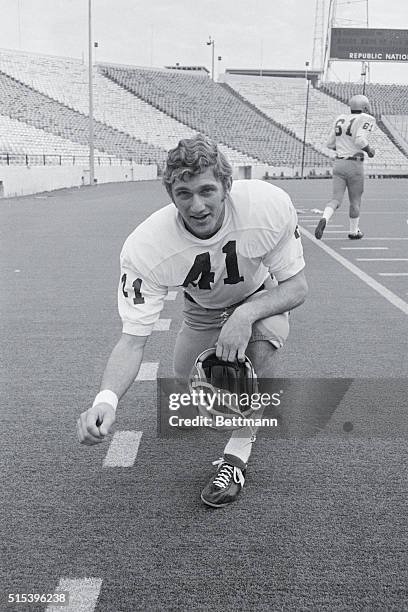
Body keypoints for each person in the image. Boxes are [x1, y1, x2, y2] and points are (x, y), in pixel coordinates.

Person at [77, 134, 308, 507]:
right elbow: (133, 340)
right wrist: (106, 401)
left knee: (249, 361)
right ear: (171, 195)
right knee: (194, 383)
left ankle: (236, 456)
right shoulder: (147, 246)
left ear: (227, 186)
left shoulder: (266, 207)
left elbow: (296, 288)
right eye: (184, 194)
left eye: (207, 190)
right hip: (201, 309)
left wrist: (246, 315)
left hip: (258, 296)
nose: (197, 205)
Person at [315, 94, 376, 241]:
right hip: (354, 164)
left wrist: (343, 148)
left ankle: (324, 218)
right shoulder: (367, 118)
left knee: (335, 199)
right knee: (355, 201)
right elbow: (360, 140)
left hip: (339, 163)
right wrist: (370, 151)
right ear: (365, 107)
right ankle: (354, 231)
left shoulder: (340, 118)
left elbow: (330, 144)